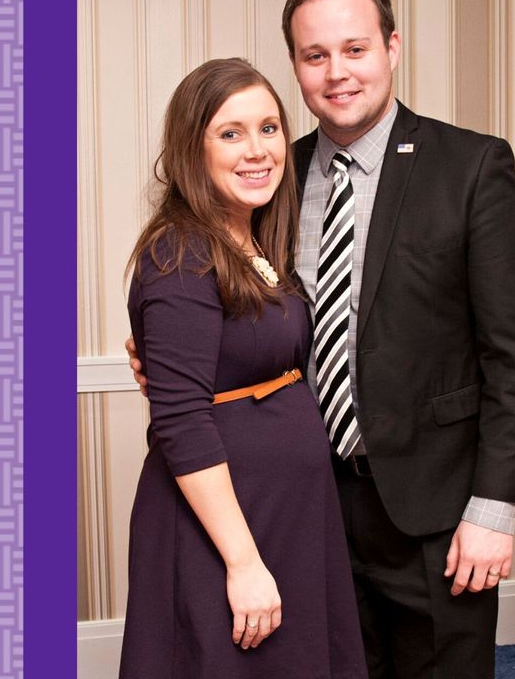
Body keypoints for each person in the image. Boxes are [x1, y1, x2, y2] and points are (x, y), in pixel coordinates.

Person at [131, 0, 515, 677]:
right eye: (314, 55)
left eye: (354, 49)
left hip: (434, 510)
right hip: (307, 506)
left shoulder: (471, 167)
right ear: (295, 65)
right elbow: (232, 311)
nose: (337, 73)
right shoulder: (273, 177)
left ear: (392, 47)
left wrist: (495, 506)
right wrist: (172, 361)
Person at [117, 58, 366, 679]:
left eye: (269, 128)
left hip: (286, 509)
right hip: (226, 526)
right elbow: (180, 421)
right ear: (189, 150)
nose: (257, 151)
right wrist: (243, 562)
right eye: (230, 134)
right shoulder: (180, 253)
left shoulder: (255, 242)